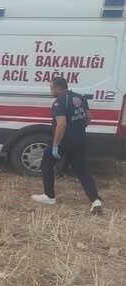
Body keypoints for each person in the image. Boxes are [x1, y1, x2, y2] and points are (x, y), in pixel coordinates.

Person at [32, 77, 103, 214]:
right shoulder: (80, 97)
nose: (51, 90)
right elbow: (89, 117)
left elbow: (61, 125)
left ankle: (49, 196)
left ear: (58, 88)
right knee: (83, 171)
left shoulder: (59, 103)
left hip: (64, 141)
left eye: (52, 88)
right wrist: (78, 129)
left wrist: (55, 145)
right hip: (80, 139)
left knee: (46, 163)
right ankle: (95, 200)